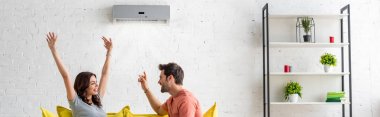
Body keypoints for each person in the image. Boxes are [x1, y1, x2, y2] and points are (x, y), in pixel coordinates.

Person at [46, 32, 112, 117]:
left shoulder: (97, 100)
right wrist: (53, 49)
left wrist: (109, 51)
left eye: (96, 82)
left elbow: (104, 74)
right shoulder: (76, 102)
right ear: (84, 86)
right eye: (92, 83)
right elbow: (66, 76)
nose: (97, 85)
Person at [138, 63, 202, 117]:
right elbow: (159, 110)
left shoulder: (186, 101)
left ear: (170, 78)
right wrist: (146, 88)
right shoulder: (172, 99)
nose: (158, 81)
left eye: (161, 77)